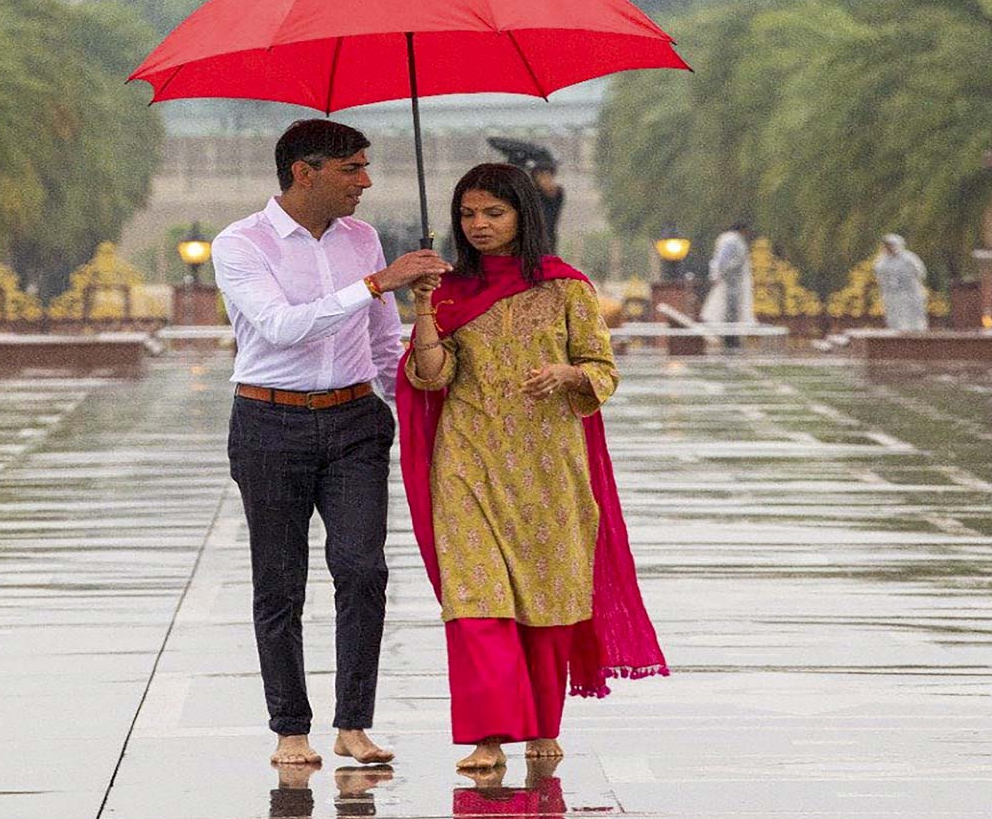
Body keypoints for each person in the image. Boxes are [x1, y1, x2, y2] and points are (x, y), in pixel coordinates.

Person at [396, 163, 667, 771]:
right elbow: (430, 377)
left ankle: (544, 723)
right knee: (475, 599)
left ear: (523, 214)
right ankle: (488, 735)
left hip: (549, 464)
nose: (479, 225)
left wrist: (569, 374)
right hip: (468, 461)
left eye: (494, 213)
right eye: (468, 215)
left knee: (548, 597)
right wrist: (424, 315)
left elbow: (602, 369)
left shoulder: (566, 287)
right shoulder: (447, 289)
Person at [211, 119, 452, 766]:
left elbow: (378, 342)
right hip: (269, 423)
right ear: (304, 171)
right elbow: (281, 327)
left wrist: (414, 411)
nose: (365, 182)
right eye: (352, 169)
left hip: (354, 423)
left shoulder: (363, 239)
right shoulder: (241, 243)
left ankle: (354, 723)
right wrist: (376, 282)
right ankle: (291, 728)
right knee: (280, 581)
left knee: (362, 569)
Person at [700, 221, 755, 349]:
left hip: (732, 282)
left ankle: (731, 338)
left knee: (730, 310)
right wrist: (723, 275)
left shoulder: (729, 240)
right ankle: (730, 339)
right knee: (730, 310)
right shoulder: (732, 241)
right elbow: (724, 262)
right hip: (731, 283)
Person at [874, 233, 929, 331]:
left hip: (911, 292)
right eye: (887, 245)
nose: (889, 247)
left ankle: (917, 333)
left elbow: (921, 272)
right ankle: (896, 333)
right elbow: (879, 274)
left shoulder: (909, 258)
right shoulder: (882, 260)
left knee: (913, 314)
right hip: (892, 294)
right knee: (894, 314)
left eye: (891, 244)